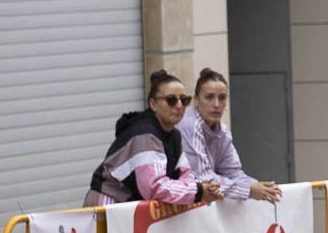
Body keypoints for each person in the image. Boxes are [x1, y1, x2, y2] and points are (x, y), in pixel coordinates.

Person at [84, 69, 224, 206]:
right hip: (109, 202)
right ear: (153, 104)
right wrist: (198, 190)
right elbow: (154, 187)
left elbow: (185, 174)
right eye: (171, 100)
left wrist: (203, 188)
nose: (179, 105)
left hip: (130, 207)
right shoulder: (144, 134)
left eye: (184, 100)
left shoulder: (174, 134)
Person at [176, 68, 281, 203]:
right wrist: (249, 190)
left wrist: (263, 188)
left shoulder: (223, 131)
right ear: (196, 100)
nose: (216, 104)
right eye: (209, 97)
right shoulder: (190, 124)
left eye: (222, 98)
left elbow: (234, 172)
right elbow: (204, 177)